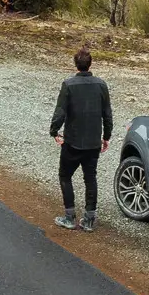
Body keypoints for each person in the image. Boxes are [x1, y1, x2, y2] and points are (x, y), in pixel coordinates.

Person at [49, 46, 113, 230]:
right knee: (90, 178)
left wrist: (54, 132)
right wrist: (106, 136)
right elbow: (107, 114)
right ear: (90, 64)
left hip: (73, 142)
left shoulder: (68, 85)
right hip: (93, 142)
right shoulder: (101, 85)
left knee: (65, 175)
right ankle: (89, 219)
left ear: (76, 64)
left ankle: (70, 216)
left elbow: (60, 111)